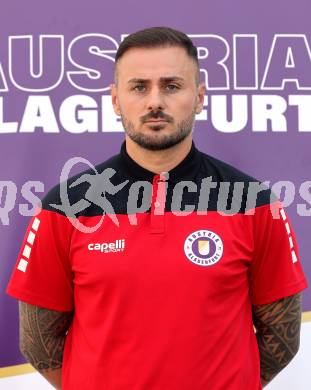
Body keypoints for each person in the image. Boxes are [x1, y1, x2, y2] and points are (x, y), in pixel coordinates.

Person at [7, 26, 307, 390]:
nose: (154, 102)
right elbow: (39, 344)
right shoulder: (66, 206)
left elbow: (282, 337)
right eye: (139, 87)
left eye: (171, 86)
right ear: (116, 100)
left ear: (199, 97)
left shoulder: (255, 203)